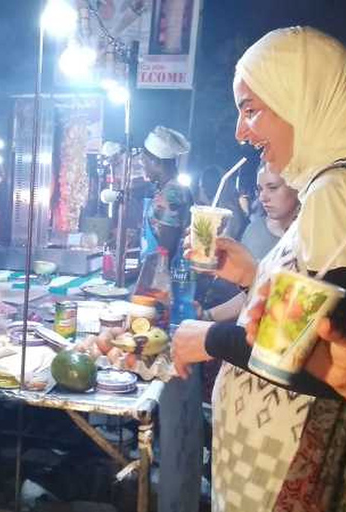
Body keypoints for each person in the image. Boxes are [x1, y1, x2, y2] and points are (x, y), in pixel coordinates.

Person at [171, 27, 346, 512]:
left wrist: (205, 337)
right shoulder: (325, 188)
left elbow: (311, 351)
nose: (240, 132)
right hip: (268, 459)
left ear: (301, 98)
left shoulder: (335, 191)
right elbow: (309, 311)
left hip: (284, 463)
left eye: (251, 110)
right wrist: (253, 275)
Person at [198, 165, 299, 323]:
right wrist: (207, 315)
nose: (263, 197)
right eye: (260, 189)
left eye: (272, 188)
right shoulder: (255, 230)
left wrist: (209, 316)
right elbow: (249, 292)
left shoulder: (307, 239)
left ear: (297, 187)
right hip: (242, 328)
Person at [139, 125, 193, 260]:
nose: (143, 169)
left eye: (144, 163)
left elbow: (166, 251)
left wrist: (153, 276)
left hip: (165, 276)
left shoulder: (172, 193)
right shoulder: (169, 188)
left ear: (155, 161)